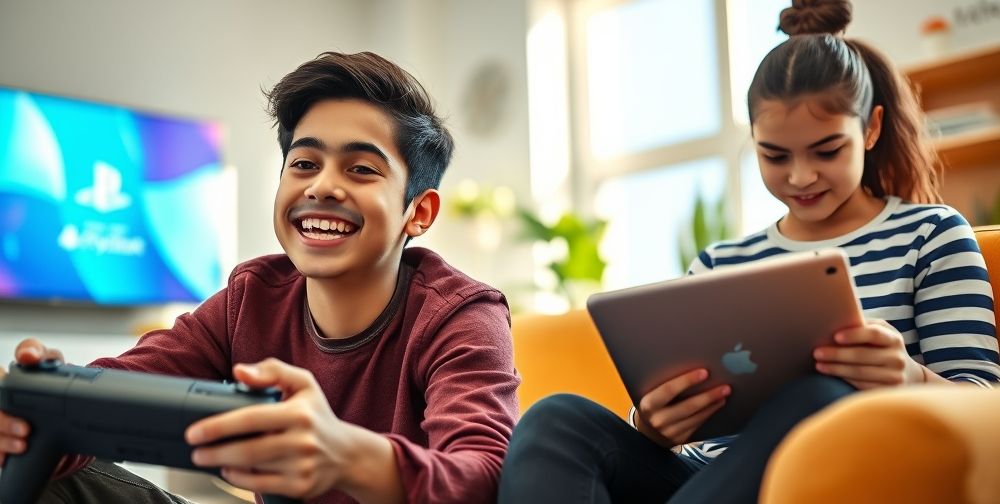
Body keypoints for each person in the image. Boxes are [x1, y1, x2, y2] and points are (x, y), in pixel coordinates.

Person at [497, 1, 1000, 503]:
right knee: (554, 417)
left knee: (820, 397)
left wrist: (910, 376)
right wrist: (652, 425)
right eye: (774, 155)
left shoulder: (932, 234)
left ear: (870, 129)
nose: (800, 177)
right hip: (700, 479)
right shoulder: (718, 264)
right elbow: (675, 431)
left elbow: (985, 405)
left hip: (832, 468)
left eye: (827, 151)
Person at [0, 51, 520, 504]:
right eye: (304, 163)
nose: (323, 186)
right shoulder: (250, 298)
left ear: (419, 212)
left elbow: (486, 479)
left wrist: (343, 455)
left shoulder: (459, 314)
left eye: (361, 170)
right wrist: (38, 416)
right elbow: (115, 391)